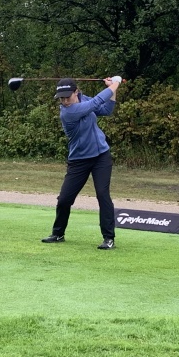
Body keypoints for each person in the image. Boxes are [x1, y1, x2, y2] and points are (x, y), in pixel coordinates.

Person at [41, 75, 121, 249]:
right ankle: (58, 233)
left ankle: (109, 238)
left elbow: (106, 109)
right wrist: (115, 84)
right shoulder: (68, 112)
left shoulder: (84, 100)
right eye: (61, 98)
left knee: (103, 194)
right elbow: (97, 102)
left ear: (76, 92)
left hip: (101, 156)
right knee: (64, 199)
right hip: (79, 160)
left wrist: (112, 90)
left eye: (67, 97)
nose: (64, 101)